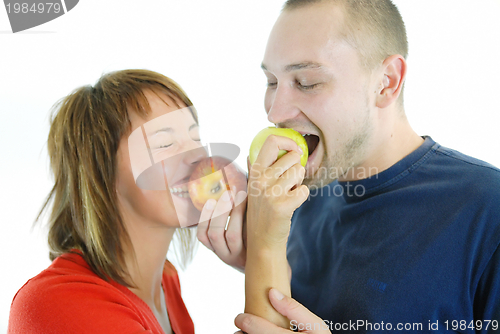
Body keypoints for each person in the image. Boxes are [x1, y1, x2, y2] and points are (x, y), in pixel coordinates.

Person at [224, 0, 500, 333]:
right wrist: (260, 257)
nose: (275, 113)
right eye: (271, 82)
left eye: (307, 82)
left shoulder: (488, 210)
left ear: (386, 81)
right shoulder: (297, 200)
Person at [8, 69, 247, 334]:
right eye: (165, 143)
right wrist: (265, 249)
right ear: (101, 171)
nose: (198, 157)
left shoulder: (166, 282)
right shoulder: (57, 301)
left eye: (195, 138)